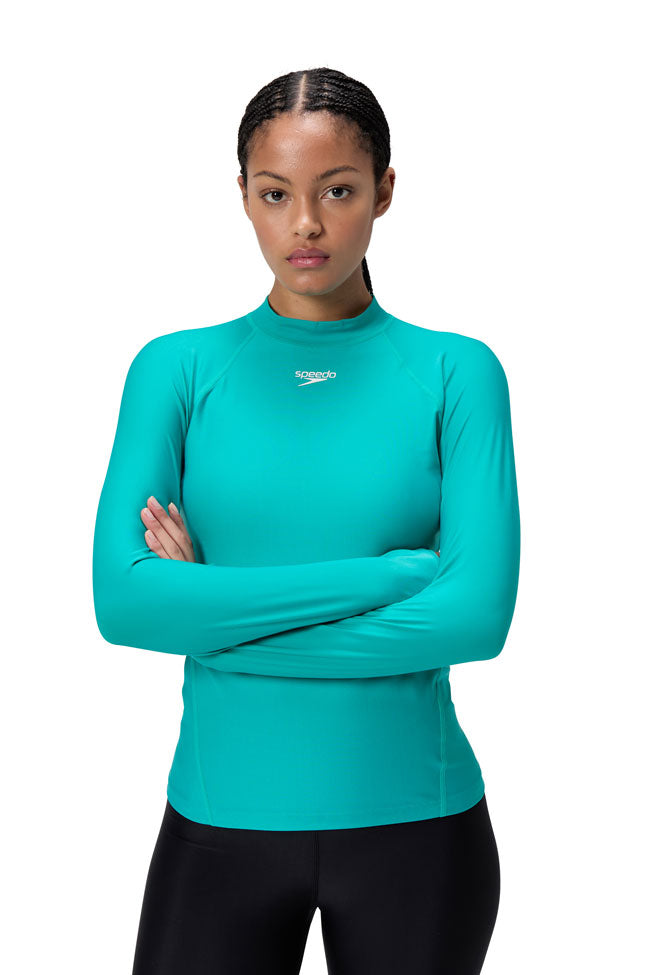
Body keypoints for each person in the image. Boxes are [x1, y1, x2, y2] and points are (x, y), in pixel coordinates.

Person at [92, 66, 520, 975]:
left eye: (338, 190)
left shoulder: (457, 373)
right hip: (218, 822)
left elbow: (476, 620)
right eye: (275, 193)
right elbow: (124, 605)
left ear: (385, 191)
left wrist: (211, 618)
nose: (307, 225)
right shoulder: (174, 369)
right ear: (243, 195)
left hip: (420, 826)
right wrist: (391, 577)